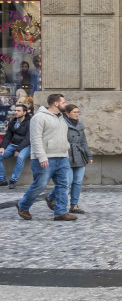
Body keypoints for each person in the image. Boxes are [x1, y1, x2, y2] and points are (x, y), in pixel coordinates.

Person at [17, 93, 76, 221]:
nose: (65, 105)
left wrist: (66, 151)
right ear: (56, 103)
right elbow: (35, 139)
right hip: (45, 158)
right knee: (40, 185)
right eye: (63, 102)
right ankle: (23, 205)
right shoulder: (39, 118)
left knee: (63, 185)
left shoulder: (61, 117)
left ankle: (60, 212)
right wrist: (42, 157)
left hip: (62, 157)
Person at [60, 104, 92, 215]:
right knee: (67, 181)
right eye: (74, 112)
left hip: (79, 154)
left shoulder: (80, 125)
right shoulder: (62, 123)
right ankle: (51, 197)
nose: (77, 114)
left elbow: (83, 142)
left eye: (78, 112)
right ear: (67, 113)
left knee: (78, 182)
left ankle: (74, 205)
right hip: (67, 154)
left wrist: (89, 156)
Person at [0, 103, 32, 188]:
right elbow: (7, 136)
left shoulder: (30, 122)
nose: (16, 112)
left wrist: (18, 149)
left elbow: (28, 139)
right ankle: (2, 180)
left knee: (20, 157)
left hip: (26, 146)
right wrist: (2, 147)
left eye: (18, 111)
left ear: (24, 112)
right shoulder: (13, 121)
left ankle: (13, 180)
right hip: (13, 145)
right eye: (15, 110)